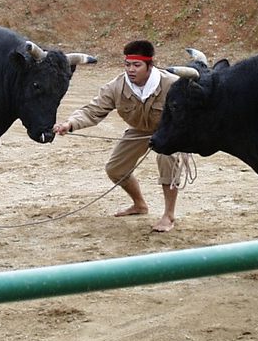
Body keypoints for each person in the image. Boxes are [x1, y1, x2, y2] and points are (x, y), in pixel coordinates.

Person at [53, 40, 182, 232]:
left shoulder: (172, 84)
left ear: (150, 65)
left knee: (167, 159)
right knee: (115, 169)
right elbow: (92, 110)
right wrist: (70, 124)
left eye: (137, 65)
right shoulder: (116, 86)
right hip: (138, 130)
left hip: (168, 131)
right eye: (127, 64)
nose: (131, 70)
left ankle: (168, 215)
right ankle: (139, 205)